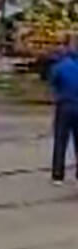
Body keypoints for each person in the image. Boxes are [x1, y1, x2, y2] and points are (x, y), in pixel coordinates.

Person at [47, 43, 78, 185]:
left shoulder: (58, 67)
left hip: (64, 106)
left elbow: (53, 85)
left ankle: (58, 175)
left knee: (60, 140)